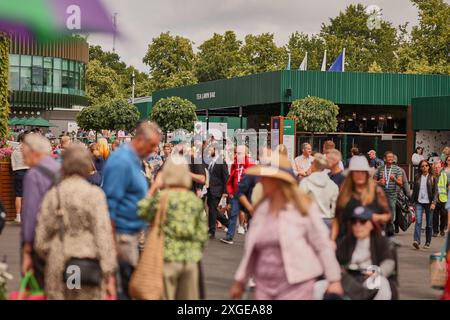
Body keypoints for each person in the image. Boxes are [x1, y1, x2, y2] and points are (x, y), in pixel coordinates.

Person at [230, 153, 343, 300]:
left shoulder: (303, 209)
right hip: (265, 284)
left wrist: (334, 280)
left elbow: (322, 244)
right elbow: (252, 249)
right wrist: (240, 281)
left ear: (279, 182)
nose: (261, 181)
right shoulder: (263, 209)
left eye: (266, 177)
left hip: (297, 283)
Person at [34, 145, 117, 300]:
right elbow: (103, 234)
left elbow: (40, 239)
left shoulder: (53, 195)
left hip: (59, 259)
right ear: (87, 166)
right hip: (87, 262)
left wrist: (52, 253)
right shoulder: (95, 195)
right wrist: (108, 271)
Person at [102, 122, 161, 299]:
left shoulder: (133, 160)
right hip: (122, 236)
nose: (153, 151)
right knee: (124, 288)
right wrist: (111, 244)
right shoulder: (122, 161)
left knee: (128, 286)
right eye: (152, 146)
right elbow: (110, 204)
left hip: (130, 234)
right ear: (140, 140)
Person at [138, 156, 208, 300]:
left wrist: (152, 188)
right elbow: (202, 235)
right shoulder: (194, 201)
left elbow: (141, 212)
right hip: (190, 260)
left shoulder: (162, 198)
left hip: (167, 258)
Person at [20, 133, 61, 288]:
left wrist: (27, 250)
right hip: (62, 240)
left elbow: (30, 214)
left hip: (41, 243)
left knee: (39, 287)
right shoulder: (60, 169)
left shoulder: (34, 174)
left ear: (34, 152)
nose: (23, 159)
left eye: (24, 154)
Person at [336, 206, 397, 300]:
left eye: (362, 222)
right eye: (354, 222)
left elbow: (388, 262)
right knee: (320, 286)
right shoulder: (346, 241)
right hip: (349, 278)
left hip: (370, 277)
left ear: (371, 224)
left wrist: (378, 271)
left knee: (381, 283)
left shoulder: (380, 241)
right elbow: (336, 261)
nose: (358, 225)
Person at [332, 156, 392, 242]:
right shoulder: (344, 194)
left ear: (367, 174)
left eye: (362, 172)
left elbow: (388, 215)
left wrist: (373, 217)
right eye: (356, 172)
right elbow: (336, 219)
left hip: (371, 242)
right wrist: (332, 240)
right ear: (351, 174)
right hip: (346, 242)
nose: (359, 174)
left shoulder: (377, 192)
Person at [221, 145, 253, 245]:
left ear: (245, 154)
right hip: (235, 194)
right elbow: (231, 179)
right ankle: (229, 237)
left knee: (251, 216)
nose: (237, 155)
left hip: (246, 195)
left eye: (239, 153)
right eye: (236, 153)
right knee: (233, 214)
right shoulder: (235, 165)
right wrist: (230, 191)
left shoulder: (251, 165)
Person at [300, 153, 339, 229]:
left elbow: (300, 202)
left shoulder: (306, 182)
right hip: (327, 220)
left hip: (311, 219)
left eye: (311, 163)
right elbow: (335, 208)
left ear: (314, 165)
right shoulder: (332, 185)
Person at [374, 151, 403, 234]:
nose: (390, 158)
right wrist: (379, 182)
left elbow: (401, 183)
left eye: (392, 157)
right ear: (384, 159)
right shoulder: (380, 168)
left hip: (392, 194)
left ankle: (390, 227)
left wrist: (394, 179)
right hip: (381, 195)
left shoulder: (397, 169)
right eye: (389, 157)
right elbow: (372, 181)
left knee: (391, 211)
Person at [411, 160, 437, 249]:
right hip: (419, 202)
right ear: (420, 168)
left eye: (426, 165)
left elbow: (436, 192)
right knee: (418, 222)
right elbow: (414, 191)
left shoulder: (433, 177)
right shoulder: (417, 177)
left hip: (429, 203)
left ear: (429, 167)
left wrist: (434, 202)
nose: (424, 167)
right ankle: (416, 241)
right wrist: (411, 203)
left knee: (429, 224)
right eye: (422, 166)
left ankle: (427, 242)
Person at [206, 143, 230, 239]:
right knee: (213, 210)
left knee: (212, 210)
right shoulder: (211, 161)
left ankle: (211, 232)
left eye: (210, 149)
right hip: (210, 189)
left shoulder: (221, 162)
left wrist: (225, 191)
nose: (208, 150)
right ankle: (228, 223)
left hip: (217, 190)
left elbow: (226, 178)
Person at [11, 133, 29, 223]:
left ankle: (18, 216)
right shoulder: (29, 150)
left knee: (19, 195)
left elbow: (13, 165)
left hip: (18, 172)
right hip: (28, 172)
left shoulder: (15, 151)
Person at [432, 161, 448, 237]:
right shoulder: (431, 176)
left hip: (443, 198)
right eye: (435, 167)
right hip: (434, 199)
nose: (437, 169)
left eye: (438, 167)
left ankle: (442, 229)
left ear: (441, 168)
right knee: (435, 216)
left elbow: (447, 185)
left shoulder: (444, 175)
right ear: (433, 168)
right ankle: (435, 231)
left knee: (444, 215)